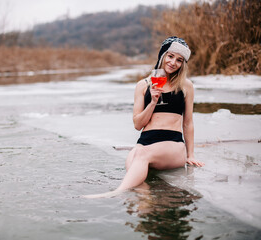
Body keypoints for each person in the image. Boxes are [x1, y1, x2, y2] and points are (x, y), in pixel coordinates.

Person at [84, 36, 205, 198]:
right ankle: (146, 209)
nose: (173, 63)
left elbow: (188, 123)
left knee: (140, 155)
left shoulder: (186, 86)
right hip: (146, 142)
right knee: (134, 159)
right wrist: (153, 102)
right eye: (170, 56)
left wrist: (190, 155)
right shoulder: (143, 85)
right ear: (162, 55)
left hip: (173, 145)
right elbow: (137, 124)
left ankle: (117, 192)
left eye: (179, 60)